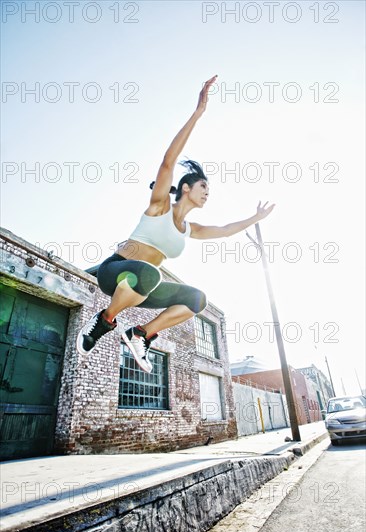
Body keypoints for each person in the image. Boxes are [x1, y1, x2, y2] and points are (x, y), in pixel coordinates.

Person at [76, 75, 275, 372]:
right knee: (147, 273)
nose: (208, 193)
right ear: (185, 188)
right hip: (115, 273)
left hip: (143, 288)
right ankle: (104, 321)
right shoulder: (159, 207)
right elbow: (169, 161)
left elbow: (223, 230)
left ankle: (141, 334)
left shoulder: (188, 230)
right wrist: (198, 114)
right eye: (203, 186)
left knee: (197, 299)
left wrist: (254, 218)